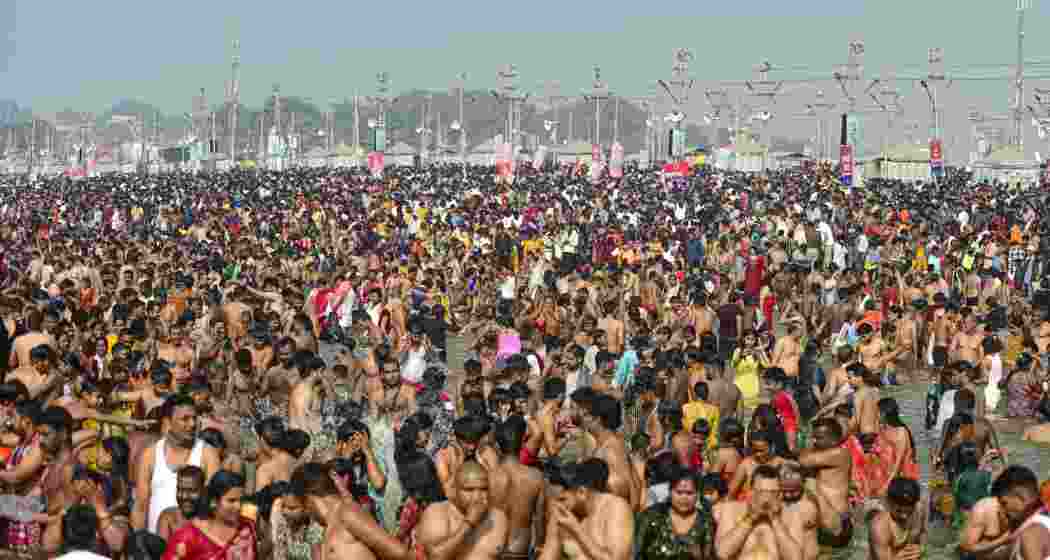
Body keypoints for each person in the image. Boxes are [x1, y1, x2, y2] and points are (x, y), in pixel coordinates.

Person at [133, 395, 221, 532]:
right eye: (185, 419)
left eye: (194, 418)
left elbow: (213, 503)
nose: (192, 424)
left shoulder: (207, 453)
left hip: (193, 542)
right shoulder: (150, 454)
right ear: (168, 423)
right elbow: (141, 504)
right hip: (157, 544)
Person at [539, 459, 634, 560]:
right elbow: (548, 555)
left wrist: (576, 530)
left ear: (581, 492)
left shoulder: (616, 508)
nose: (557, 505)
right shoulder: (561, 515)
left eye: (562, 499)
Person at [415, 461, 509, 560]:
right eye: (469, 490)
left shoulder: (498, 518)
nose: (477, 497)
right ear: (455, 490)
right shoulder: (437, 513)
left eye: (483, 489)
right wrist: (468, 524)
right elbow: (434, 557)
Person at [161, 470, 257, 560]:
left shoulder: (247, 528)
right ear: (213, 502)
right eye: (231, 501)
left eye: (241, 500)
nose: (238, 506)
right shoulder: (189, 537)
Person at [713, 464, 802, 560]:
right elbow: (722, 553)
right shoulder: (730, 509)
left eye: (772, 492)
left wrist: (775, 519)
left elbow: (795, 557)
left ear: (780, 494)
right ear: (750, 492)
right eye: (761, 492)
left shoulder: (791, 513)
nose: (766, 499)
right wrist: (750, 518)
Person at [487, 415, 544, 559]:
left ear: (498, 445)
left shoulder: (488, 477)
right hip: (520, 549)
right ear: (522, 443)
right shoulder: (535, 476)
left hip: (492, 547)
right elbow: (540, 517)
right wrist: (539, 545)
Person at [634, 465, 713, 560]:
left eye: (689, 493)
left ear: (697, 494)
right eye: (679, 492)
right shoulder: (652, 515)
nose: (684, 498)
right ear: (670, 492)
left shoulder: (705, 520)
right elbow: (636, 552)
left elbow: (709, 555)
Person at [993, 465, 1050, 560]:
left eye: (1004, 503)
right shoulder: (1043, 521)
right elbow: (1006, 552)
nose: (1001, 511)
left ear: (1022, 498)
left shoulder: (1030, 536)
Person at [867, 477, 925, 560]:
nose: (904, 516)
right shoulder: (880, 527)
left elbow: (923, 533)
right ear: (888, 502)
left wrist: (921, 549)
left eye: (909, 511)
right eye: (899, 511)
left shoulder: (918, 511)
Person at [156, 465, 206, 541]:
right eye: (180, 490)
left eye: (192, 491)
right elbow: (161, 551)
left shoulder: (211, 519)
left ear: (203, 491)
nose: (184, 496)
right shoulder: (168, 518)